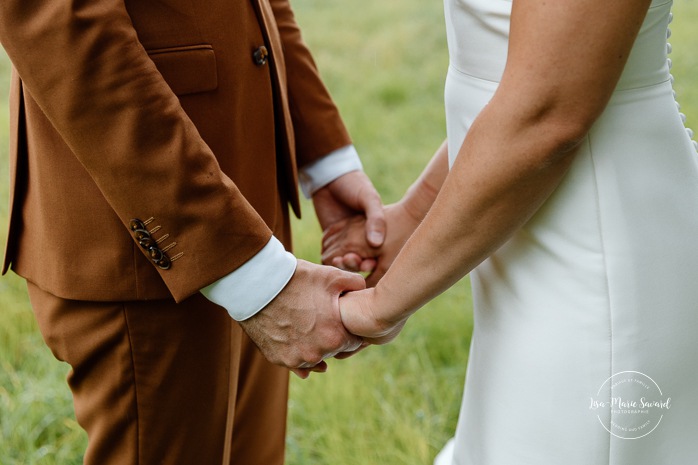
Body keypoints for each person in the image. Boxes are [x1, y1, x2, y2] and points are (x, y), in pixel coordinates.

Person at [0, 0, 385, 464]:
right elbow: (60, 22)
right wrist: (244, 272)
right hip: (146, 236)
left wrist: (324, 155)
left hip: (254, 207)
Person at [324, 0, 698, 463]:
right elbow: (516, 86)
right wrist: (416, 211)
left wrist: (380, 307)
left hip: (598, 256)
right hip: (519, 231)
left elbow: (548, 114)